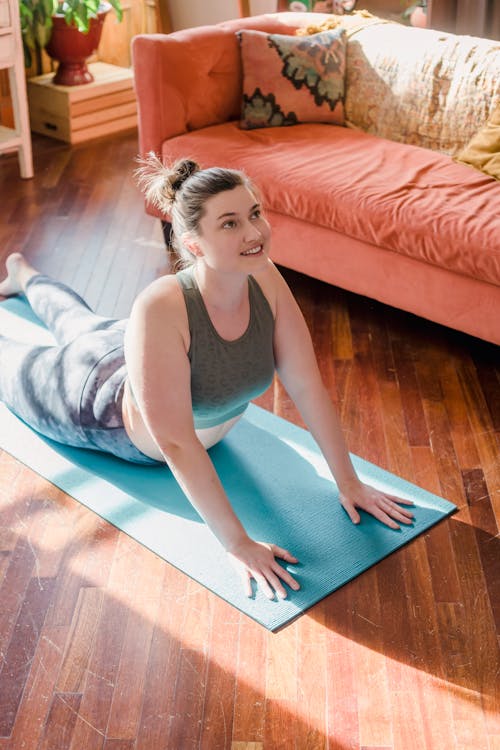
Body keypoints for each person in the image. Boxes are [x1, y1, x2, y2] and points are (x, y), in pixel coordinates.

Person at [0, 156, 414, 600]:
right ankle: (25, 280)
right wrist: (237, 544)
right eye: (230, 224)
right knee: (22, 355)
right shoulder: (160, 306)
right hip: (93, 399)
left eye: (255, 214)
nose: (254, 233)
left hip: (145, 356)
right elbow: (176, 442)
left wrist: (348, 482)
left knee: (79, 321)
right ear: (194, 245)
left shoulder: (265, 277)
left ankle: (23, 274)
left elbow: (307, 386)